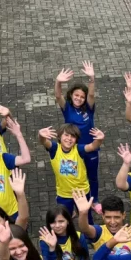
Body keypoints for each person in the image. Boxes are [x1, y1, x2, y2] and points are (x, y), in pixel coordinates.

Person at [54, 64, 99, 203]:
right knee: (74, 177)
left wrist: (91, 79)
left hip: (90, 147)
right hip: (72, 149)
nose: (79, 98)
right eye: (76, 95)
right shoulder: (66, 107)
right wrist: (58, 81)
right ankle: (75, 202)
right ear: (71, 95)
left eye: (82, 96)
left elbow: (91, 94)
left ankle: (94, 200)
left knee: (92, 176)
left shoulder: (89, 108)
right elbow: (57, 95)